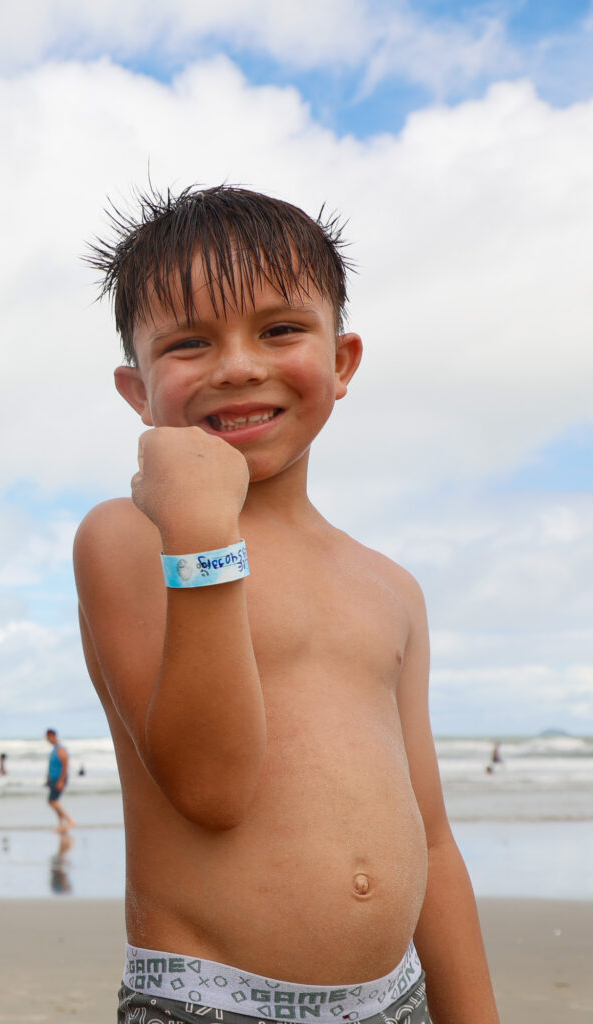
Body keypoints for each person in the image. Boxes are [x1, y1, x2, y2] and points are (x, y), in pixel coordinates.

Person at [74, 186, 497, 1023]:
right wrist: (197, 525)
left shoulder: (389, 586)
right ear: (137, 390)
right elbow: (212, 787)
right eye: (190, 342)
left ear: (341, 363)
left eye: (279, 329)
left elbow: (435, 845)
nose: (238, 365)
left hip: (398, 1001)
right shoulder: (130, 538)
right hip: (211, 1005)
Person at [44, 729, 75, 831]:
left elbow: (65, 765)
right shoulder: (54, 749)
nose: (47, 739)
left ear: (52, 736)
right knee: (55, 801)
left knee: (52, 801)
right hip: (53, 779)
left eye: (48, 737)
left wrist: (61, 781)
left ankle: (70, 820)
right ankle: (61, 825)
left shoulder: (60, 749)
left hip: (59, 779)